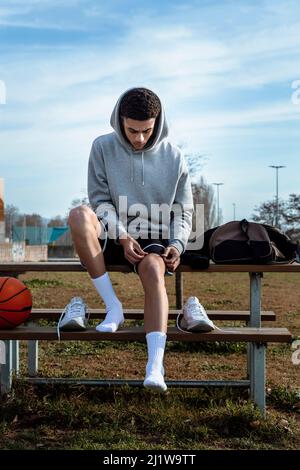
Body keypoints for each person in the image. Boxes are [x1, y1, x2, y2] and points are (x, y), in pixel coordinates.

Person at [67, 87, 193, 392]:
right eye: (132, 130)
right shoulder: (101, 147)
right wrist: (121, 235)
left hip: (154, 237)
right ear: (120, 121)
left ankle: (155, 367)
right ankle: (114, 308)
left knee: (152, 270)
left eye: (146, 131)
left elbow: (185, 212)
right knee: (79, 215)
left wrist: (177, 244)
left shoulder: (175, 157)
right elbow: (99, 201)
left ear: (157, 122)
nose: (139, 138)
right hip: (112, 232)